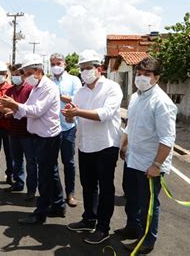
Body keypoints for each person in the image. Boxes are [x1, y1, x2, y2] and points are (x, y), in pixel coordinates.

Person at [62, 50, 123, 244]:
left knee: (105, 187)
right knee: (88, 186)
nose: (85, 72)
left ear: (99, 69)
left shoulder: (112, 88)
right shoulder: (80, 92)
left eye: (88, 68)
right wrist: (69, 115)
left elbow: (104, 114)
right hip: (85, 144)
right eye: (82, 68)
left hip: (106, 144)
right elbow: (72, 117)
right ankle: (89, 218)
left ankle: (103, 228)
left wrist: (77, 111)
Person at [0, 53, 65, 225]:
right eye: (24, 74)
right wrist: (14, 109)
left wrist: (14, 105)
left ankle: (40, 213)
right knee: (52, 173)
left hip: (47, 138)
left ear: (38, 71)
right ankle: (59, 205)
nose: (25, 77)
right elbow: (27, 110)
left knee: (45, 176)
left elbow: (36, 110)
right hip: (40, 136)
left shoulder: (48, 87)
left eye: (28, 73)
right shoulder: (37, 88)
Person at [121, 57, 177, 254]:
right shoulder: (136, 97)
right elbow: (130, 125)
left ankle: (147, 240)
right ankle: (132, 227)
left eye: (147, 74)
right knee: (132, 198)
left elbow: (167, 139)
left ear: (156, 77)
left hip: (149, 165)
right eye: (139, 74)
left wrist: (156, 165)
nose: (141, 78)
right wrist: (124, 145)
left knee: (149, 205)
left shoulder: (162, 103)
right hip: (133, 158)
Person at [50, 53, 82, 207]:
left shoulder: (74, 80)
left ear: (64, 65)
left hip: (68, 127)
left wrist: (59, 95)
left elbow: (77, 99)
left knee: (68, 162)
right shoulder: (48, 82)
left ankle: (70, 194)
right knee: (51, 163)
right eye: (53, 63)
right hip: (51, 128)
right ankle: (56, 194)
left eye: (58, 63)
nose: (56, 66)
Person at [3, 63, 37, 199]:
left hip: (27, 132)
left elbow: (30, 109)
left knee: (30, 162)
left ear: (24, 75)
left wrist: (13, 111)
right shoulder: (9, 91)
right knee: (16, 160)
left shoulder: (30, 90)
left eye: (19, 74)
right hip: (13, 132)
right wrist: (12, 110)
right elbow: (2, 106)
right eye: (14, 75)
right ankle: (18, 183)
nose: (16, 77)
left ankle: (32, 189)